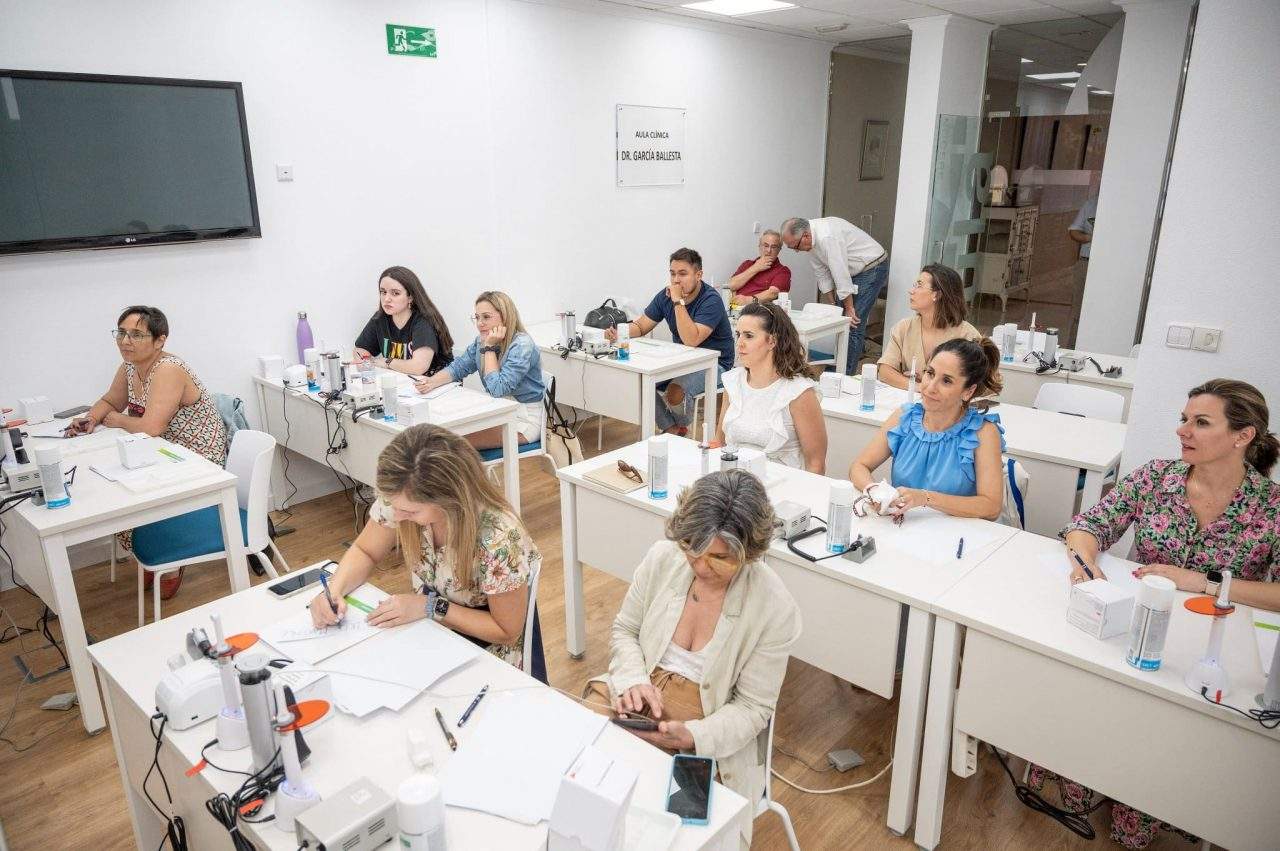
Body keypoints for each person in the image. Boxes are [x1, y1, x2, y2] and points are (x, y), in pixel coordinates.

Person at [1035, 379, 1280, 847]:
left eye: (1200, 422)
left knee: (1167, 745)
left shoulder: (1271, 508)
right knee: (1108, 710)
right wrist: (1087, 566)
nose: (1182, 430)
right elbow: (1089, 526)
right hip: (1134, 631)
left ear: (1242, 436)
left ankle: (1147, 805)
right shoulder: (1155, 478)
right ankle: (1087, 782)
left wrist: (1206, 583)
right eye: (1184, 418)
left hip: (1208, 653)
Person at [586, 470, 800, 847]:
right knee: (587, 785)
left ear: (751, 552)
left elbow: (753, 708)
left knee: (671, 833)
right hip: (636, 694)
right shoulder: (664, 557)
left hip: (708, 728)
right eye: (693, 549)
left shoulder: (774, 606)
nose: (701, 567)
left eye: (720, 558)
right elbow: (625, 631)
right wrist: (635, 679)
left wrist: (694, 736)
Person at [309, 424, 544, 676]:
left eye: (410, 511)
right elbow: (365, 551)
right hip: (432, 637)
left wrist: (428, 607)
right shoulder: (402, 497)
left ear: (449, 500)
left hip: (489, 661)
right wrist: (334, 590)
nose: (396, 516)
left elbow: (506, 631)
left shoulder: (498, 538)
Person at [68, 306, 228, 600]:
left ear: (160, 340)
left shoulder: (169, 369)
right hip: (159, 450)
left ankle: (170, 556)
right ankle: (152, 550)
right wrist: (92, 417)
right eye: (122, 333)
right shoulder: (129, 367)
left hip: (193, 454)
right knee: (114, 487)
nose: (125, 341)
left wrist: (115, 420)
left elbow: (151, 427)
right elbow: (109, 400)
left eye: (137, 335)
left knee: (129, 489)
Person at [848, 338, 1005, 521]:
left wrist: (925, 498)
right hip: (904, 528)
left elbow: (991, 507)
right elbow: (858, 467)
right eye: (930, 373)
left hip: (957, 536)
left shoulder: (983, 433)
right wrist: (873, 490)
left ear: (968, 392)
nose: (930, 387)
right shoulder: (904, 417)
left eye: (946, 381)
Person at [605, 248, 734, 436]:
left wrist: (678, 301)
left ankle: (680, 428)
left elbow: (691, 339)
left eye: (683, 274)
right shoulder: (665, 296)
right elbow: (642, 326)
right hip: (681, 360)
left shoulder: (711, 299)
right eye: (672, 273)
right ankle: (673, 429)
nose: (676, 280)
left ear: (698, 275)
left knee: (675, 392)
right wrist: (619, 332)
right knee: (639, 381)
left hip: (716, 365)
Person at [415, 291, 545, 450]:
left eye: (486, 317)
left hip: (523, 421)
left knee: (447, 443)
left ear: (505, 316)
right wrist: (431, 382)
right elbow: (458, 368)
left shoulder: (521, 345)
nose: (480, 323)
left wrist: (489, 348)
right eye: (477, 317)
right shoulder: (481, 341)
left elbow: (498, 390)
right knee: (440, 433)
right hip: (498, 411)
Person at [716, 302, 826, 473]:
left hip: (781, 485)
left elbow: (816, 463)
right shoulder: (732, 382)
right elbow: (719, 444)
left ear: (772, 341)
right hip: (734, 483)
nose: (739, 343)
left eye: (749, 336)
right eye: (738, 335)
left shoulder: (799, 393)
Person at [780, 216, 888, 375]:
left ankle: (843, 376)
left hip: (871, 266)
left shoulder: (827, 236)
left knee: (852, 323)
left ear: (806, 236)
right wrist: (834, 306)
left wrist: (849, 308)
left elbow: (840, 274)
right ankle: (829, 371)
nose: (796, 250)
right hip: (852, 271)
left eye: (795, 246)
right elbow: (821, 273)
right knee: (834, 321)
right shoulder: (810, 242)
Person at [877, 264, 981, 391]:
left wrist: (932, 383)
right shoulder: (904, 328)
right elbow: (884, 371)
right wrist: (919, 386)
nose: (911, 290)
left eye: (919, 285)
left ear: (937, 295)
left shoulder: (968, 335)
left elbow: (979, 385)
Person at [354, 266, 454, 377]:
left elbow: (418, 367)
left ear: (410, 297)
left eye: (395, 293)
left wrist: (387, 361)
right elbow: (360, 350)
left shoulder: (424, 321)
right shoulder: (380, 318)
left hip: (439, 385)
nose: (387, 299)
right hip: (404, 383)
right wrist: (365, 364)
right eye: (383, 292)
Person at [726, 230, 791, 306]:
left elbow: (772, 293)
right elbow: (730, 286)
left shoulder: (783, 271)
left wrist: (747, 300)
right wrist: (756, 268)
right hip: (734, 308)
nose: (769, 250)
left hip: (759, 311)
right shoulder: (747, 264)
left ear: (779, 250)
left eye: (774, 247)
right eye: (766, 245)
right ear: (759, 246)